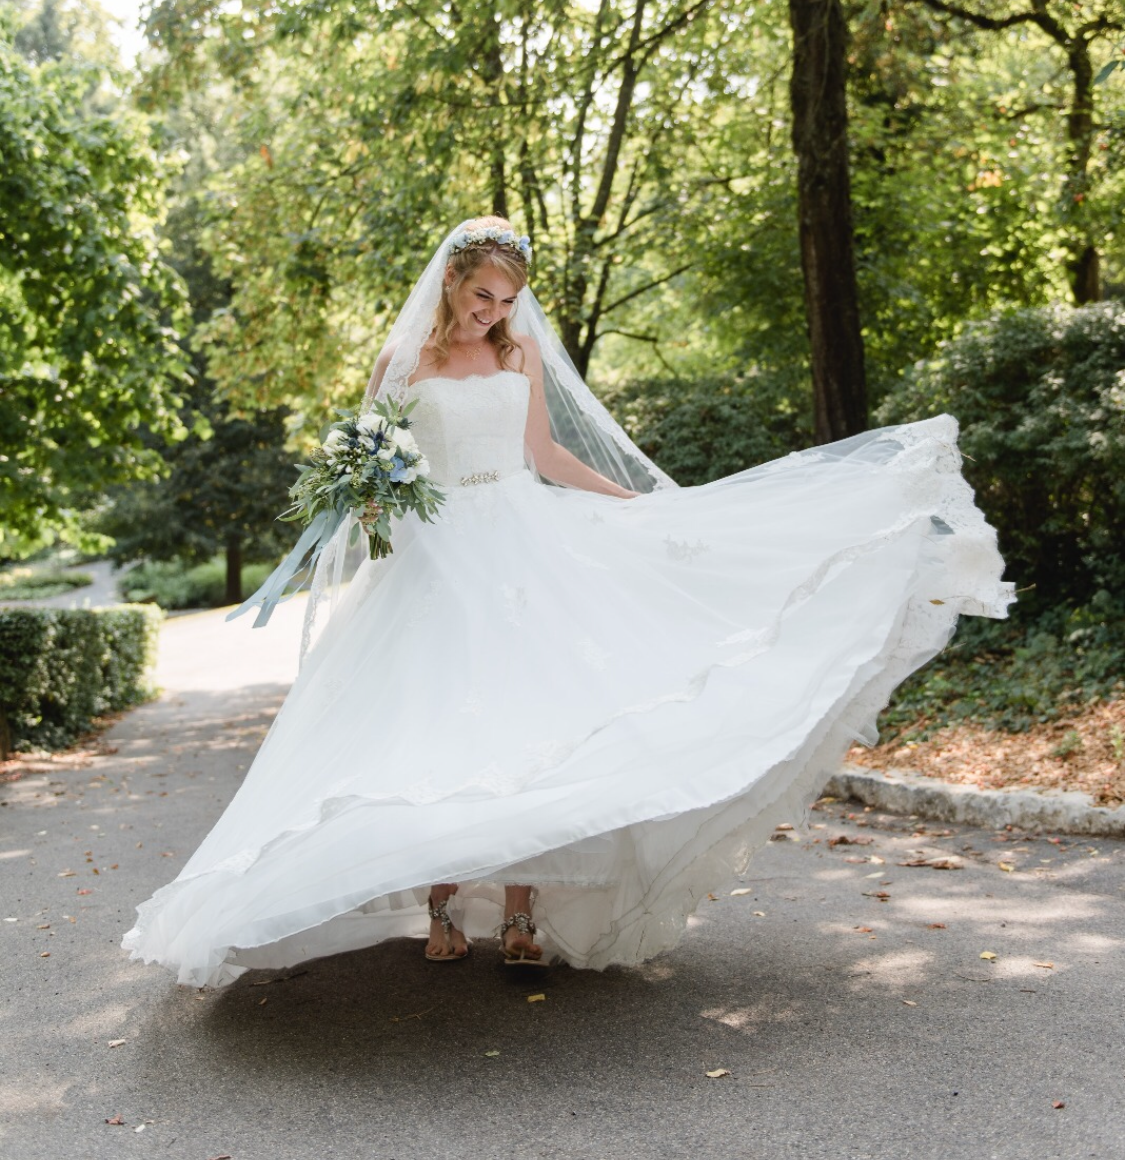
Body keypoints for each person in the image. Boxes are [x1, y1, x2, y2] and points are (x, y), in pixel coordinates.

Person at [123, 217, 1013, 987]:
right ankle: (439, 908)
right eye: (481, 296)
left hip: (521, 543)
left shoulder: (521, 353)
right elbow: (371, 475)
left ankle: (519, 913)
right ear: (450, 283)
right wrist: (374, 513)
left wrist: (640, 506)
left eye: (506, 300)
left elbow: (543, 455)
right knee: (435, 728)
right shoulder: (404, 360)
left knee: (531, 728)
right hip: (435, 559)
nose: (492, 313)